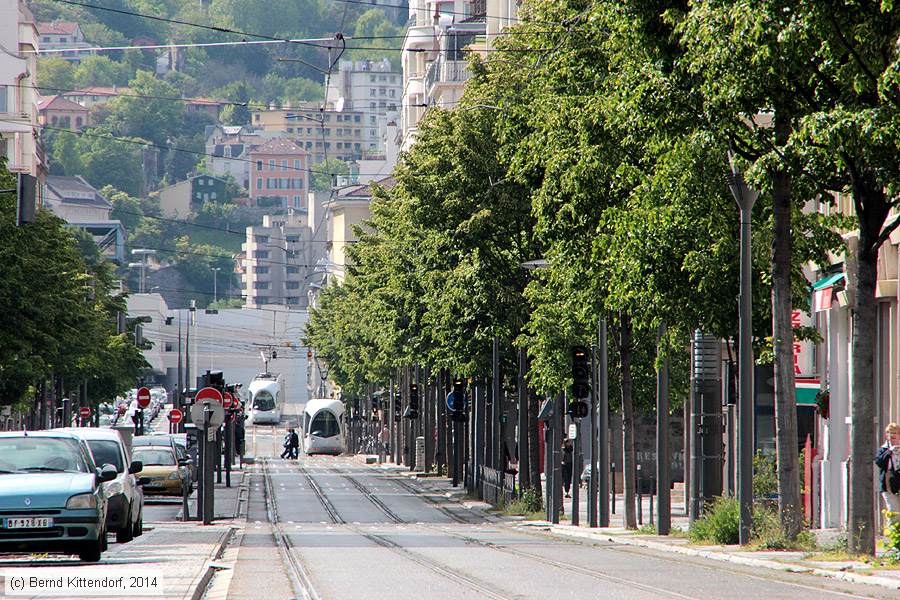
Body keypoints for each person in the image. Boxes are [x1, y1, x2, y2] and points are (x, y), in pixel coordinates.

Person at [875, 422, 900, 522]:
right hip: (888, 485)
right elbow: (879, 462)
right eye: (889, 433)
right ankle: (894, 535)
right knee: (894, 512)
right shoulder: (884, 449)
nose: (892, 435)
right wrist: (890, 451)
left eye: (895, 433)